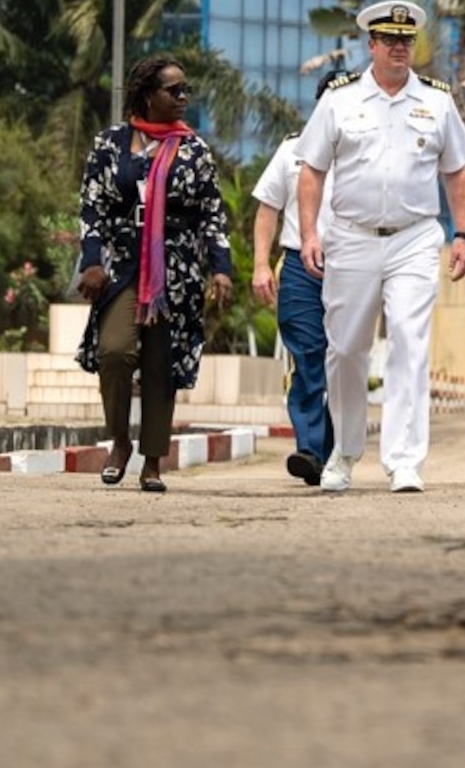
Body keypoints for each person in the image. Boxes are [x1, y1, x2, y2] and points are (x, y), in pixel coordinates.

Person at [296, 0, 465, 494]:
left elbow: (457, 171)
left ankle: (403, 461)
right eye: (390, 39)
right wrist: (310, 233)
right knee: (347, 349)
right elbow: (311, 171)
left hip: (414, 238)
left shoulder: (438, 102)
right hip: (352, 239)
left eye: (406, 40)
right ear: (371, 45)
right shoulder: (339, 99)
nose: (400, 47)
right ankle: (345, 452)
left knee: (408, 342)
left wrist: (462, 234)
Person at [76, 55, 233, 493]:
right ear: (147, 94)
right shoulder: (110, 144)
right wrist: (91, 261)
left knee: (160, 366)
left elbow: (212, 216)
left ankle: (152, 463)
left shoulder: (194, 150)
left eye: (187, 90)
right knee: (115, 352)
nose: (184, 98)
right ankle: (120, 442)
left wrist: (220, 270)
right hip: (121, 267)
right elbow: (92, 208)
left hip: (175, 273)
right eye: (174, 90)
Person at [250, 68, 346, 486]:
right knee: (307, 354)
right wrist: (258, 264)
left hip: (352, 267)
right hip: (299, 267)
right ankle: (309, 448)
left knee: (343, 359)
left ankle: (332, 452)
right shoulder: (293, 149)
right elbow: (268, 208)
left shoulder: (369, 152)